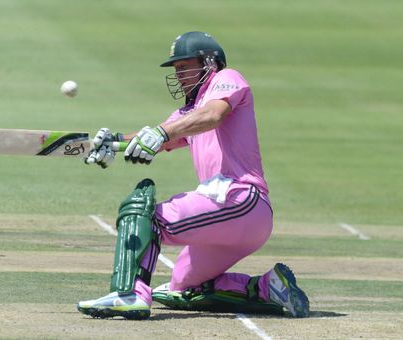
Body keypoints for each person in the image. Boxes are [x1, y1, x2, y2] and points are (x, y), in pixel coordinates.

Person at [77, 31, 309, 320]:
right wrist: (115, 142)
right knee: (184, 287)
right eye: (176, 69)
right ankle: (268, 287)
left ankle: (130, 293)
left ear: (210, 63)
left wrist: (161, 133)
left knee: (145, 217)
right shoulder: (189, 112)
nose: (179, 75)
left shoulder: (228, 79)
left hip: (240, 199)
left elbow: (213, 115)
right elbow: (161, 135)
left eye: (185, 66)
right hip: (232, 218)